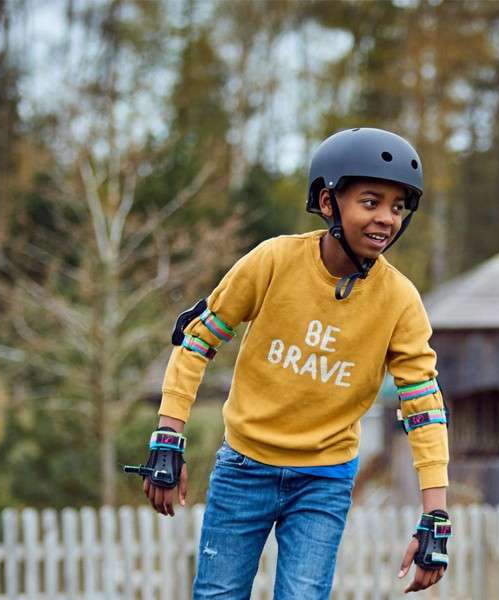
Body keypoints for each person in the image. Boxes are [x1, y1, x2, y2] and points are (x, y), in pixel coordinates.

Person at [127, 128, 451, 598]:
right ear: (327, 202)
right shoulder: (273, 261)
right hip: (244, 465)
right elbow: (197, 340)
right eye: (371, 201)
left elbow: (423, 406)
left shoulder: (400, 301)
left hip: (325, 478)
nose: (386, 219)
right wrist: (168, 435)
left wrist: (435, 515)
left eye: (398, 207)